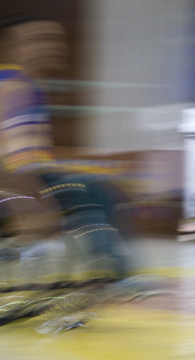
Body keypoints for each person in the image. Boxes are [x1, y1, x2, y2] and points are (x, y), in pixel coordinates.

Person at [0, 15, 150, 331]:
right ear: (10, 46)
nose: (51, 47)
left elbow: (31, 155)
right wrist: (25, 205)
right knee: (93, 193)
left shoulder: (22, 86)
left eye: (55, 39)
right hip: (14, 183)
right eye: (36, 39)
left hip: (21, 179)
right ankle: (109, 279)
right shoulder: (15, 87)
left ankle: (99, 282)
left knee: (93, 186)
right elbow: (16, 159)